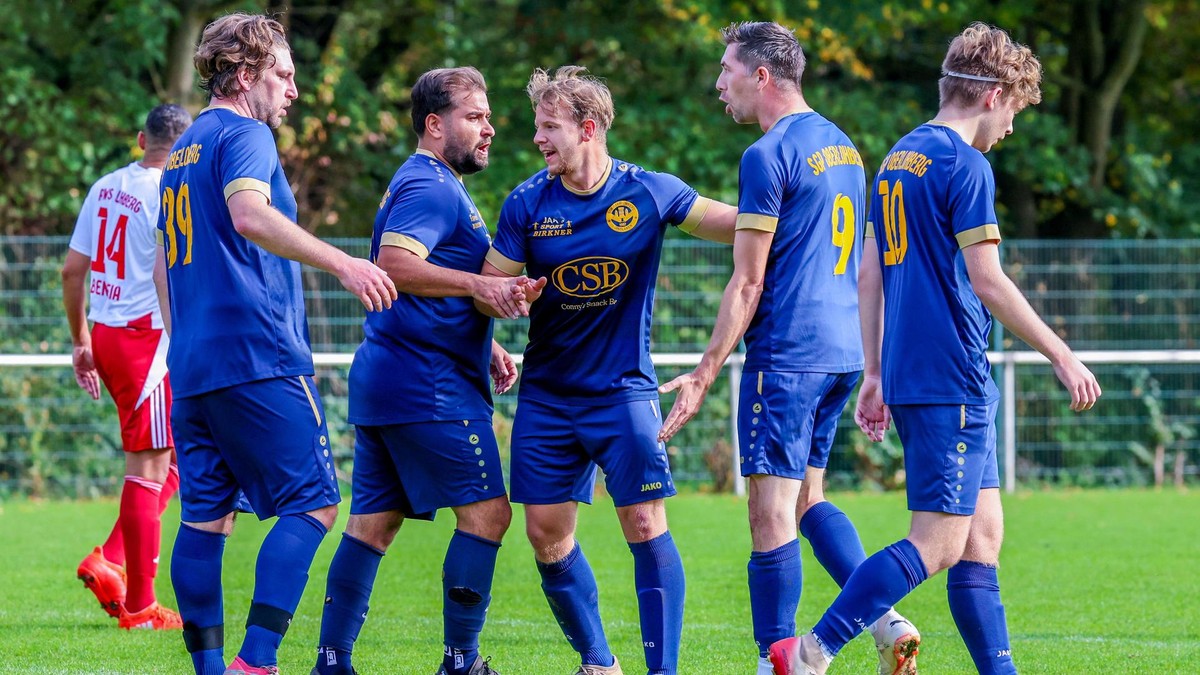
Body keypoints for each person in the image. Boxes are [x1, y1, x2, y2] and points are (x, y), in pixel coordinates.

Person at [767, 23, 1102, 675]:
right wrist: (1061, 353)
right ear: (992, 95)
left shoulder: (900, 155)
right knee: (938, 542)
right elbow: (988, 280)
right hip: (952, 375)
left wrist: (874, 370)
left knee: (981, 538)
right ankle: (810, 652)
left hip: (915, 370)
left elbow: (869, 272)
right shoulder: (965, 164)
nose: (1011, 127)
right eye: (1014, 110)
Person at [656, 21, 920, 675]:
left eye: (727, 70)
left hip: (788, 354)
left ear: (762, 75)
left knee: (768, 511)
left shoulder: (766, 154)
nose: (720, 84)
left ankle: (776, 661)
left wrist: (704, 371)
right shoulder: (844, 147)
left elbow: (748, 280)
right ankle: (885, 620)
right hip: (841, 352)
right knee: (808, 499)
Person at [155, 13, 397, 675]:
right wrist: (344, 263)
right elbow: (249, 214)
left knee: (205, 520)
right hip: (257, 356)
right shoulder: (246, 133)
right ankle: (256, 661)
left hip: (194, 365)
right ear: (243, 74)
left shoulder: (182, 150)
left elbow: (161, 262)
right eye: (283, 75)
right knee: (315, 502)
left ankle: (212, 670)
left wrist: (185, 339)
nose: (292, 90)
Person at [481, 66, 737, 675]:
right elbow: (487, 290)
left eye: (550, 127)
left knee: (645, 521)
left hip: (623, 391)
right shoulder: (526, 202)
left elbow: (737, 225)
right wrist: (511, 297)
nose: (538, 139)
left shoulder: (649, 191)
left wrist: (802, 210)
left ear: (589, 128)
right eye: (538, 126)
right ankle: (600, 662)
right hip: (548, 396)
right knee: (545, 534)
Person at [311, 66, 539, 675]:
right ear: (435, 125)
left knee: (373, 524)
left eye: (488, 117)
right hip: (428, 386)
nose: (489, 129)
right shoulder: (433, 187)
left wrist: (482, 342)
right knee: (488, 515)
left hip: (390, 376)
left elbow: (421, 287)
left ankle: (331, 663)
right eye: (475, 117)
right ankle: (461, 663)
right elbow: (394, 265)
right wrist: (479, 288)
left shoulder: (423, 179)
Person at [63, 103, 193, 631]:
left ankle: (110, 558)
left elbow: (73, 271)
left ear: (142, 139)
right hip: (147, 341)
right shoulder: (170, 194)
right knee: (149, 468)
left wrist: (81, 341)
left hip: (107, 333)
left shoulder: (105, 186)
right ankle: (140, 608)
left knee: (175, 457)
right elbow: (171, 272)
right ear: (186, 150)